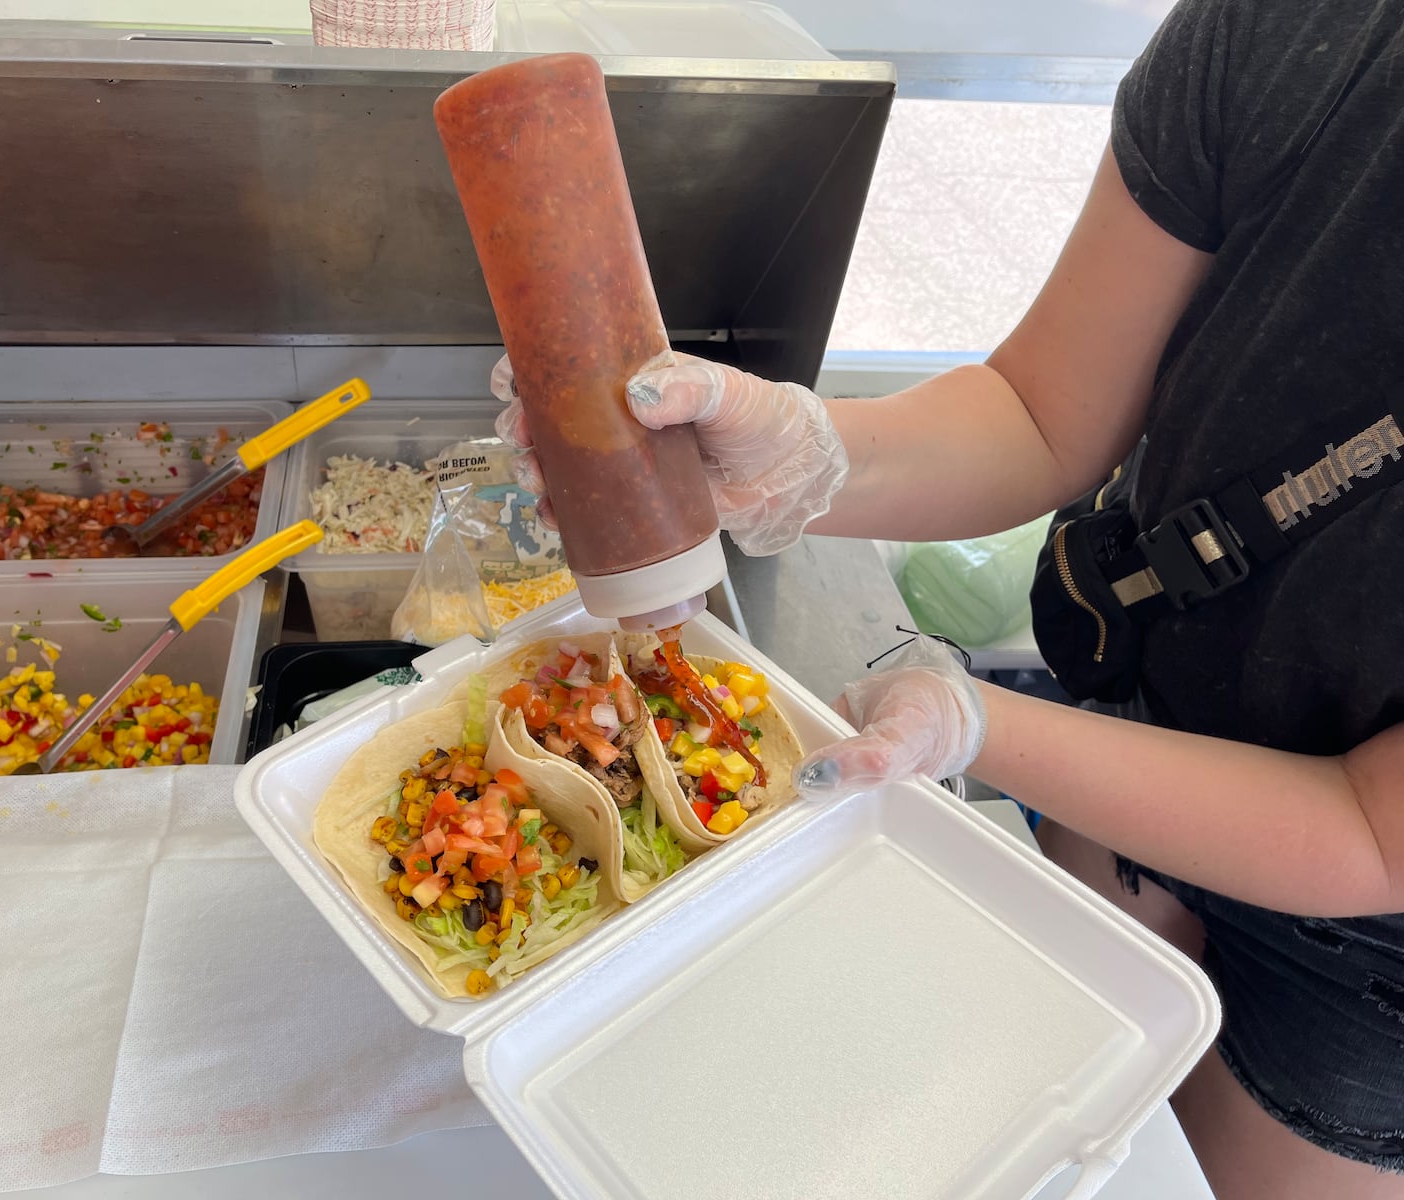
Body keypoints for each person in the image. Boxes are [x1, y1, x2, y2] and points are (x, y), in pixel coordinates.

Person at [491, 2, 1404, 1196]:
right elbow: (1042, 412)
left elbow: (1370, 831)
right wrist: (799, 453)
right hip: (1131, 718)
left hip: (1358, 964)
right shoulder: (1297, 31)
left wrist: (980, 724)